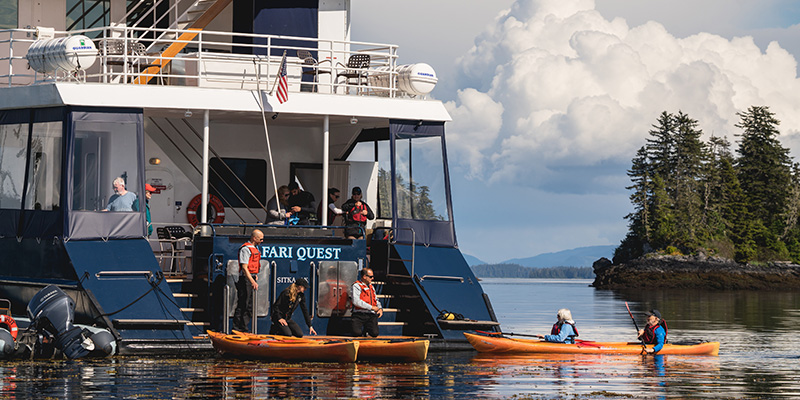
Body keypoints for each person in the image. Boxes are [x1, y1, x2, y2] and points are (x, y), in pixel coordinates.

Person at [233, 229, 263, 332]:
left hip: (252, 277)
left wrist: (255, 276)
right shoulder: (246, 249)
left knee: (249, 305)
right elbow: (245, 267)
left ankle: (244, 327)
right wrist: (252, 281)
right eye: (260, 239)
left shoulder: (255, 248)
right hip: (246, 279)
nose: (262, 241)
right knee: (243, 303)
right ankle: (237, 327)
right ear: (254, 238)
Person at [350, 268, 382, 337]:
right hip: (359, 314)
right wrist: (371, 307)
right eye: (371, 277)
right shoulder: (356, 286)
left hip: (370, 314)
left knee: (374, 333)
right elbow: (356, 301)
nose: (372, 278)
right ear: (364, 277)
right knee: (356, 333)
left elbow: (376, 299)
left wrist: (380, 308)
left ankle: (367, 331)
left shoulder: (371, 287)